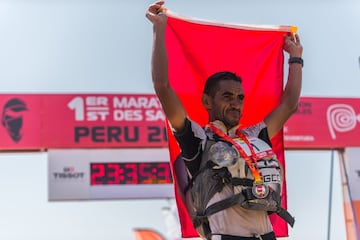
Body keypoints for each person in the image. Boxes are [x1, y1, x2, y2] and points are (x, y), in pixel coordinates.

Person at [146, 1, 303, 240]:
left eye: (240, 97)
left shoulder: (255, 136)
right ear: (207, 101)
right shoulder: (197, 140)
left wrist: (295, 58)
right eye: (227, 96)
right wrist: (159, 29)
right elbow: (163, 87)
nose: (236, 103)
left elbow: (289, 104)